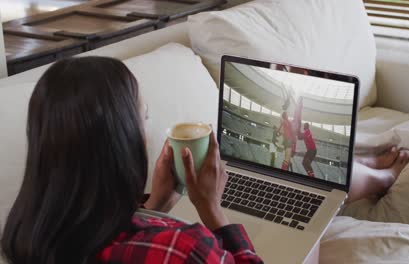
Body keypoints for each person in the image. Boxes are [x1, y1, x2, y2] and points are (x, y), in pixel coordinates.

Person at [0, 57, 263, 264]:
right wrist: (212, 209)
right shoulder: (184, 249)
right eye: (143, 118)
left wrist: (154, 206)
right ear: (122, 140)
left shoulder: (24, 235)